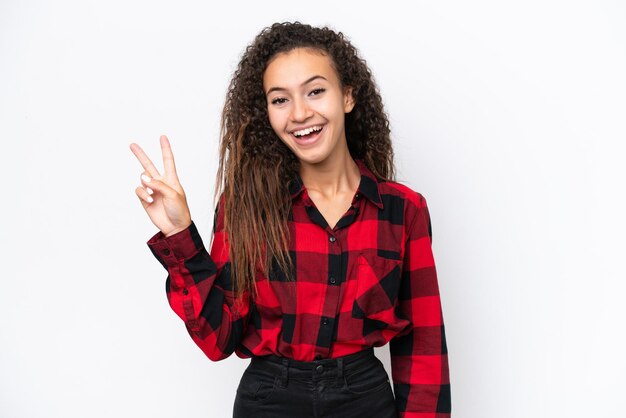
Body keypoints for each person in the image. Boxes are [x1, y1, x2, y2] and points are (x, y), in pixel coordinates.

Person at [130, 22, 450, 418]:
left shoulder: (404, 211)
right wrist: (179, 234)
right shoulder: (245, 207)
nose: (300, 113)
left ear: (348, 95)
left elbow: (423, 352)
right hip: (268, 402)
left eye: (316, 91)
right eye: (280, 100)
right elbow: (217, 340)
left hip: (364, 402)